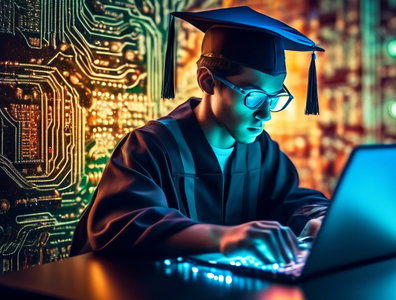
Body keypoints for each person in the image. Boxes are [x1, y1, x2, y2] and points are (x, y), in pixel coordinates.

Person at [70, 6, 328, 265]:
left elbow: (288, 198)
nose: (266, 114)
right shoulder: (151, 147)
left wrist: (319, 218)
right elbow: (124, 224)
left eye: (273, 99)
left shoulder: (259, 149)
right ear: (207, 81)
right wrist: (223, 238)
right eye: (253, 96)